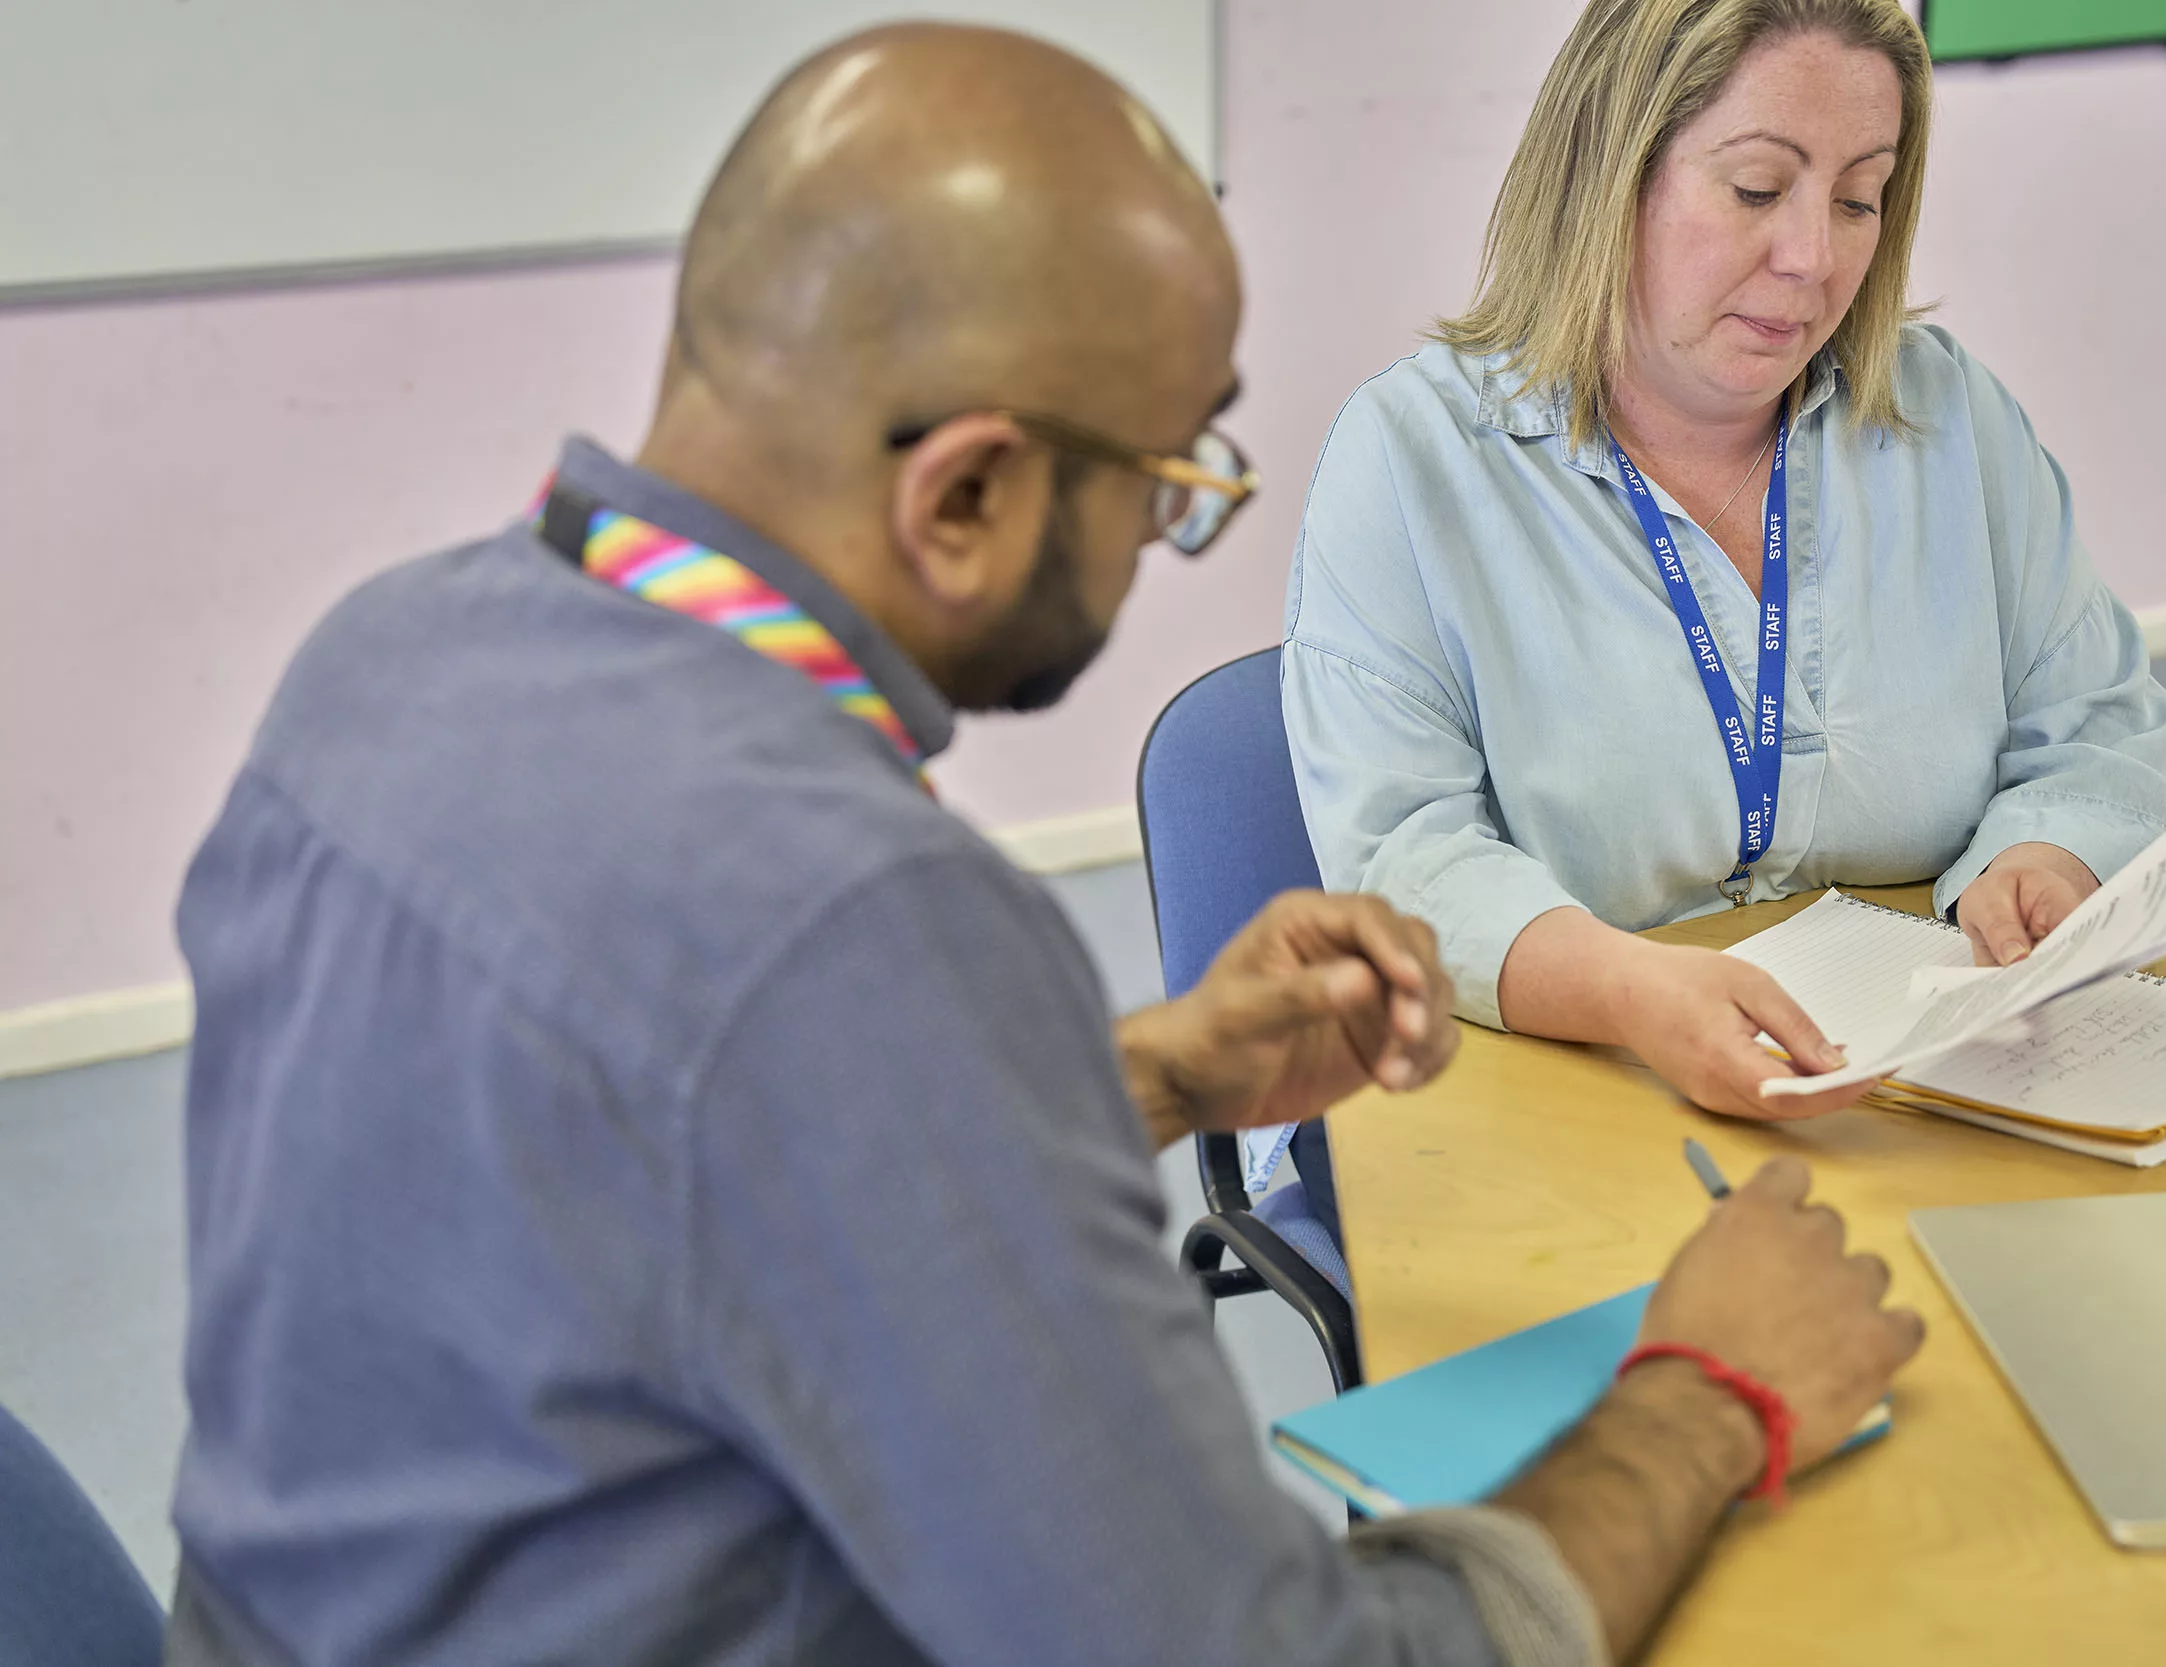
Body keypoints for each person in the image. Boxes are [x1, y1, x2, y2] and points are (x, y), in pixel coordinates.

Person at [166, 24, 1921, 1667]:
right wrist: (1707, 1390)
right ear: (967, 496)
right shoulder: (858, 922)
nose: (1170, 529)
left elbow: (650, 1152)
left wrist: (1126, 1074)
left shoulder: (380, 662)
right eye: (1165, 480)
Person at [1282, 0, 2166, 1124]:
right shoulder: (1412, 459)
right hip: (1557, 1088)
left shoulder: (1948, 418)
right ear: (1606, 177)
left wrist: (2048, 861)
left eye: (1858, 198)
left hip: (1919, 1080)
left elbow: (2102, 726)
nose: (1814, 257)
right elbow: (1400, 859)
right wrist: (1625, 990)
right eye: (1758, 189)